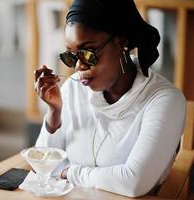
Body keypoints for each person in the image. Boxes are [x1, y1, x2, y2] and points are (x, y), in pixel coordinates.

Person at [33, 0, 186, 198]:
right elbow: (43, 163)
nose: (79, 66)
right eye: (71, 56)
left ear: (122, 43)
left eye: (88, 53)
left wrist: (68, 172)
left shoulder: (164, 100)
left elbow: (133, 182)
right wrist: (54, 113)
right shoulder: (74, 87)